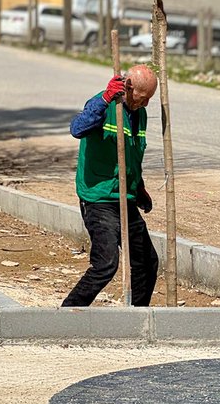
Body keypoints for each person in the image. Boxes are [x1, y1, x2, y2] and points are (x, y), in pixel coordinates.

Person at [61, 66, 160, 308]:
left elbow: (133, 154)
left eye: (150, 99)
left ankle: (136, 317)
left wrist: (139, 187)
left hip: (125, 196)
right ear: (128, 87)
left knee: (147, 262)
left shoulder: (139, 114)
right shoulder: (103, 103)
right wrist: (105, 99)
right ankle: (68, 313)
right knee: (106, 264)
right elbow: (77, 129)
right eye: (142, 97)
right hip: (99, 197)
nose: (145, 104)